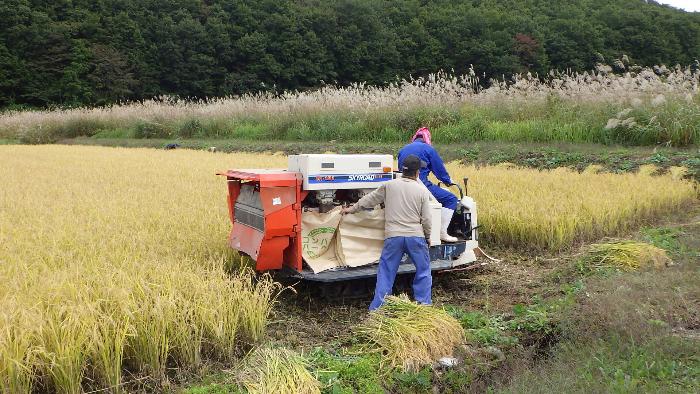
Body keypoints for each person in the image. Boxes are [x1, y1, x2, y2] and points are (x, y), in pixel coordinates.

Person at [341, 154, 433, 311]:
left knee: (386, 272)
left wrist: (351, 209)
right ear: (417, 173)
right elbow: (427, 219)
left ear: (401, 170)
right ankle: (423, 304)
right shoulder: (421, 190)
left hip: (393, 237)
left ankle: (378, 308)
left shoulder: (389, 185)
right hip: (415, 237)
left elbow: (369, 199)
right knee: (423, 270)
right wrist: (428, 237)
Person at [398, 127, 459, 242]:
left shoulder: (403, 149)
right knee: (451, 199)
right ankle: (442, 233)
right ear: (427, 138)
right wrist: (448, 181)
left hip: (403, 185)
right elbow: (439, 170)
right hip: (421, 184)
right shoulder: (428, 149)